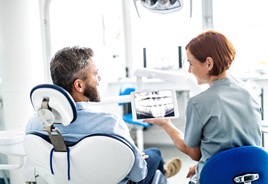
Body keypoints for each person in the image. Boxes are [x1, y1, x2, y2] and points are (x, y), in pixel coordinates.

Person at [25, 46, 182, 184]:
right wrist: (137, 158)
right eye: (95, 73)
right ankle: (164, 171)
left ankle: (163, 170)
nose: (99, 78)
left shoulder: (35, 124)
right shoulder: (110, 123)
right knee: (154, 154)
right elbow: (138, 174)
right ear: (79, 85)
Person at [143, 30, 262, 184]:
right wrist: (201, 167)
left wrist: (166, 124)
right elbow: (236, 149)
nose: (189, 70)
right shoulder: (251, 94)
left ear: (209, 63)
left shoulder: (198, 103)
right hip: (251, 176)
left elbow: (194, 153)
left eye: (191, 63)